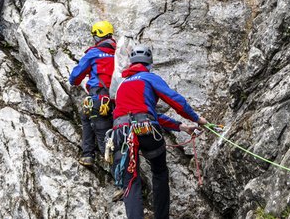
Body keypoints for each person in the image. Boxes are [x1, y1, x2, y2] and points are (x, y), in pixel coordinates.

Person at [111, 44, 208, 219]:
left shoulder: (122, 85)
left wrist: (180, 126)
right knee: (159, 172)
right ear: (149, 63)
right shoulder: (149, 78)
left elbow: (140, 113)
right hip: (147, 130)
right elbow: (174, 100)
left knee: (130, 181)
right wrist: (196, 119)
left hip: (121, 132)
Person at [68, 21, 116, 167]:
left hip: (100, 99)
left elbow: (75, 78)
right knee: (86, 116)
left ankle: (89, 155)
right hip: (118, 99)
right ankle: (88, 154)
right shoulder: (119, 53)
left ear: (97, 36)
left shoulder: (93, 54)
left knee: (103, 139)